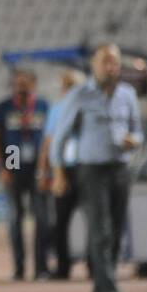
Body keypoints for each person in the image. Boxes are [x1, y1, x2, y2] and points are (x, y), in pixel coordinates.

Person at [49, 45, 142, 292]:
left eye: (114, 63)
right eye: (105, 62)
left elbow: (138, 131)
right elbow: (60, 136)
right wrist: (58, 173)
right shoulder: (79, 95)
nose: (110, 67)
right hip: (91, 170)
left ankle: (100, 291)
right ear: (93, 65)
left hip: (120, 169)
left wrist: (132, 140)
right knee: (100, 231)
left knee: (115, 230)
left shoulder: (128, 95)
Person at [0, 69, 51, 280]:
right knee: (15, 218)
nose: (21, 87)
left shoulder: (43, 106)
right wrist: (2, 168)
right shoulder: (3, 107)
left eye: (25, 83)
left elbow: (48, 138)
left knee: (42, 217)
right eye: (18, 83)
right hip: (13, 159)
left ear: (33, 84)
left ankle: (41, 267)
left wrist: (45, 169)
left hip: (37, 163)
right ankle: (19, 267)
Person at [39, 69, 85, 279]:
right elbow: (48, 142)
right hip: (64, 169)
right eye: (66, 86)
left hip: (87, 168)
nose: (69, 90)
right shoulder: (57, 109)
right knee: (61, 222)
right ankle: (63, 267)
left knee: (92, 221)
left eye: (72, 85)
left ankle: (96, 267)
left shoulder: (89, 107)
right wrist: (44, 172)